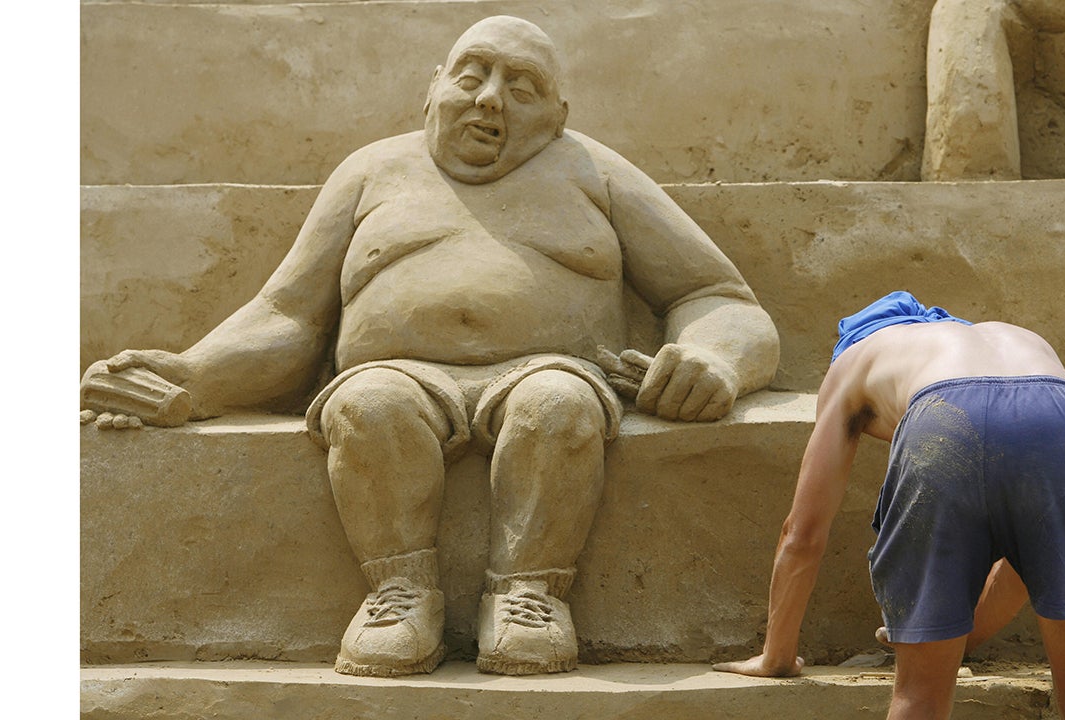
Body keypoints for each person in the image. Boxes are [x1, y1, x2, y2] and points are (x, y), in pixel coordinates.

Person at [81, 15, 780, 677]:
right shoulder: (370, 171)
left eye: (523, 86)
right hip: (395, 370)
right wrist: (195, 377)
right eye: (472, 75)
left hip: (551, 366)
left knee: (557, 407)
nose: (491, 100)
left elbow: (719, 296)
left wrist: (715, 358)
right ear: (433, 88)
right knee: (371, 406)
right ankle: (400, 594)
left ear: (559, 114)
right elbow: (288, 316)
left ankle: (529, 594)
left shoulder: (593, 171)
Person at [713, 290, 1065, 720]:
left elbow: (801, 534)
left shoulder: (855, 359)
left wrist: (776, 657)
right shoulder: (1013, 341)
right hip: (1062, 415)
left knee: (920, 697)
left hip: (942, 414)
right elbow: (1036, 554)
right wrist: (958, 635)